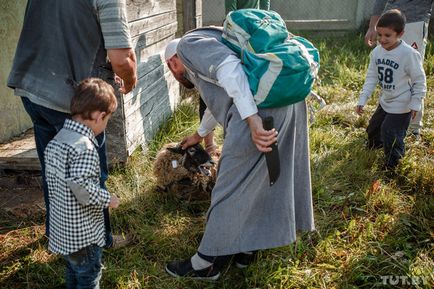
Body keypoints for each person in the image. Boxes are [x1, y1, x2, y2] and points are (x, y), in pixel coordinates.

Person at [163, 27, 315, 280]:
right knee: (262, 180)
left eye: (173, 71)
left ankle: (207, 263)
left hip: (260, 115)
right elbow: (221, 94)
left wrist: (253, 120)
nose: (177, 75)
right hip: (286, 106)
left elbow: (229, 71)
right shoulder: (219, 39)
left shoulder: (188, 45)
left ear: (172, 62)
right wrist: (200, 134)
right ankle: (247, 249)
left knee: (228, 186)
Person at [7, 0, 137, 247]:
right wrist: (129, 81)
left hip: (32, 89)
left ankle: (54, 234)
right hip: (74, 101)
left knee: (53, 169)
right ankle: (98, 241)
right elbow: (122, 59)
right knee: (89, 174)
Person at [45, 78, 120, 288]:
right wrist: (108, 199)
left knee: (73, 272)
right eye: (106, 121)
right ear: (99, 116)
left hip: (63, 231)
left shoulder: (58, 139)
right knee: (89, 277)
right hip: (83, 236)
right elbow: (83, 187)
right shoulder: (85, 147)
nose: (104, 126)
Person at [357, 9, 427, 169]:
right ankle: (375, 149)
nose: (382, 39)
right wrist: (363, 99)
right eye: (379, 34)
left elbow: (419, 81)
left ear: (400, 34)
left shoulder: (409, 54)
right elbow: (371, 77)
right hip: (386, 100)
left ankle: (393, 164)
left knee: (390, 132)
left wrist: (416, 103)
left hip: (402, 104)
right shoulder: (376, 52)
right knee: (374, 129)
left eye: (387, 35)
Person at [364, 0, 434, 136]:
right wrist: (373, 26)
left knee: (413, 75)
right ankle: (386, 117)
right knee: (387, 70)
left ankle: (414, 128)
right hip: (389, 24)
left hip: (415, 22)